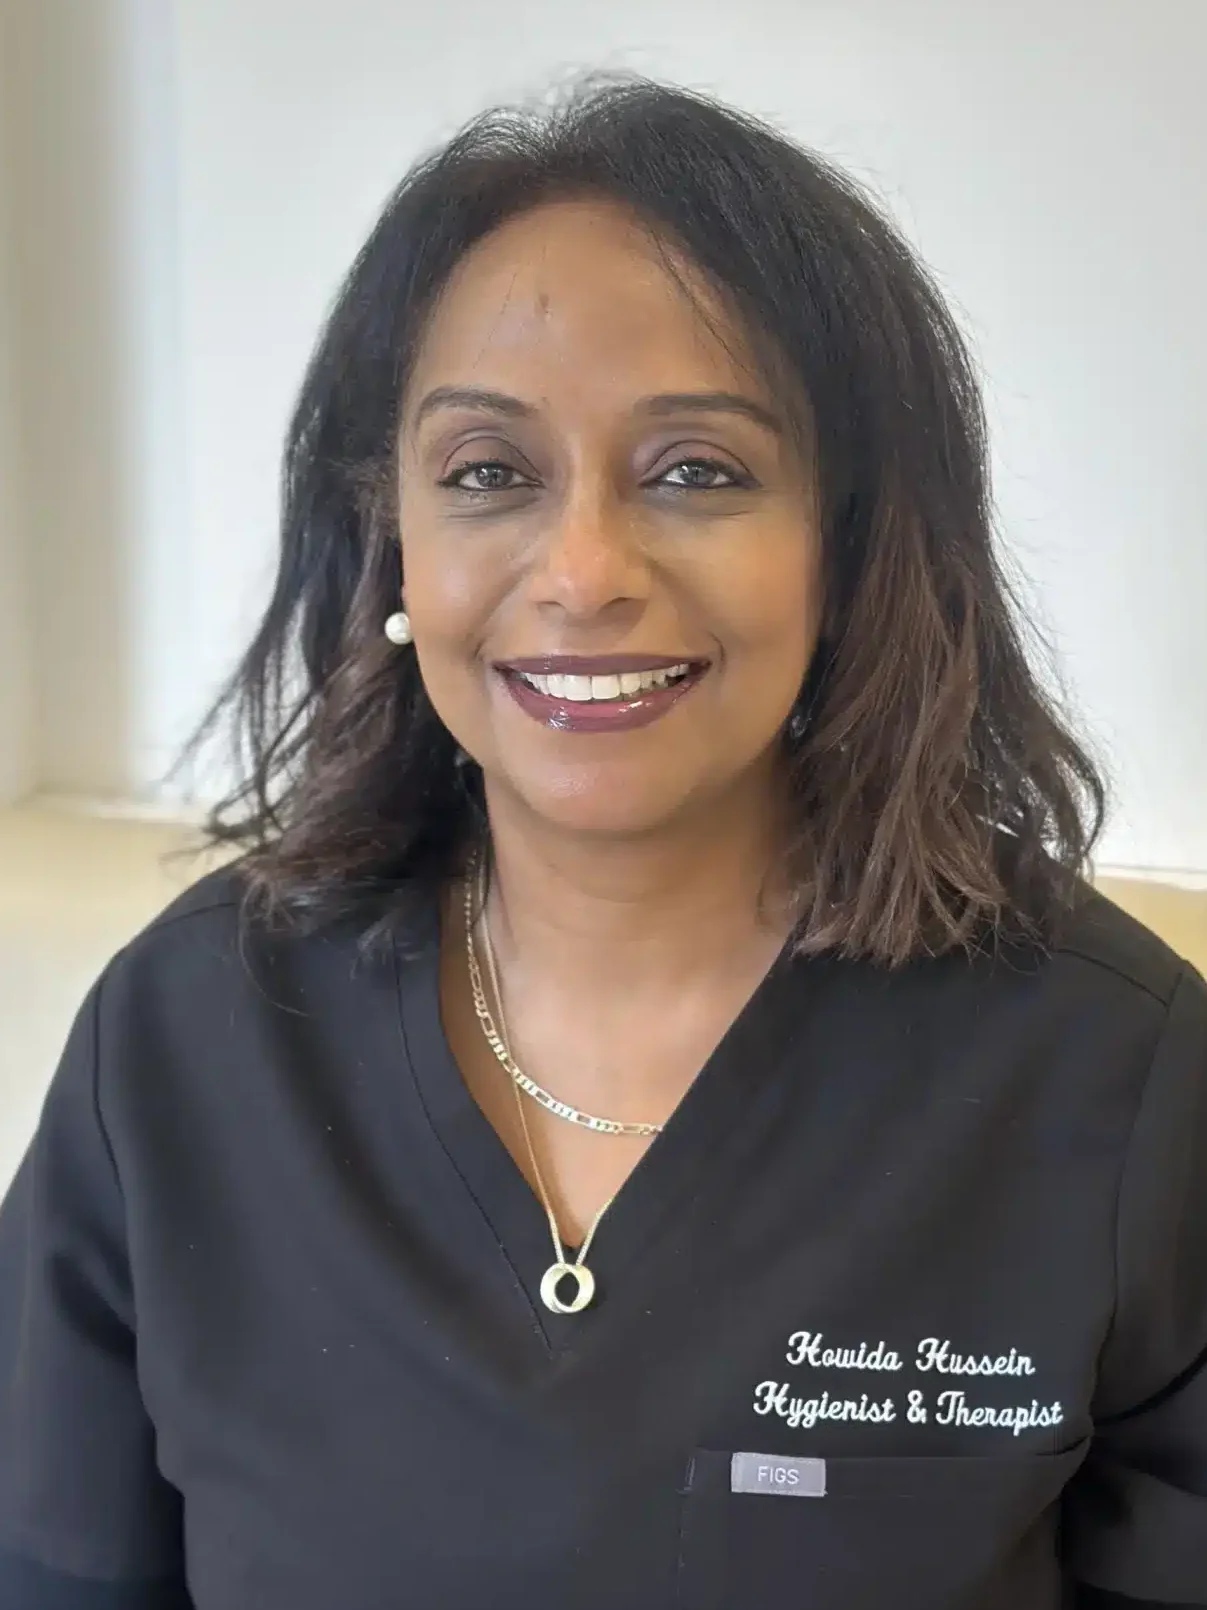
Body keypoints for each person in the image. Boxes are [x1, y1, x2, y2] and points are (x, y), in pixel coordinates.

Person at [1, 76, 1204, 1610]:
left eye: (696, 470)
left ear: (846, 543)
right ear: (391, 537)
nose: (581, 572)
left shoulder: (1113, 1078)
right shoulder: (180, 1044)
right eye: (487, 473)